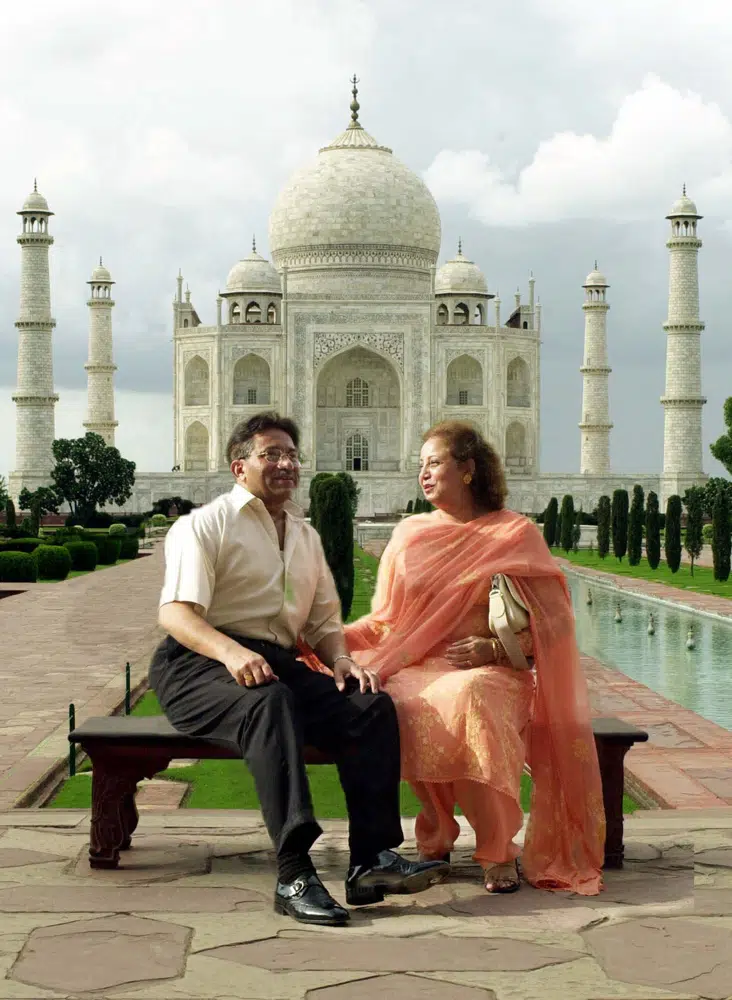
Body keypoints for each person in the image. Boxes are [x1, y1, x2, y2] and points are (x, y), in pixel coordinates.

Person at [148, 411, 448, 927]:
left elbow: (323, 622)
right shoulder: (205, 524)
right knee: (270, 701)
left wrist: (343, 661)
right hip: (198, 663)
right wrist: (231, 653)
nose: (285, 464)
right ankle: (292, 872)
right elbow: (175, 614)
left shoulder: (304, 537)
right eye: (271, 454)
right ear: (239, 465)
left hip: (274, 662)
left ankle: (370, 860)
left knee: (370, 706)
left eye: (291, 455)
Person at [344, 420, 605, 895]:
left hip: (491, 670)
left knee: (471, 696)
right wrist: (329, 638)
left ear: (467, 469)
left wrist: (493, 648)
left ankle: (497, 849)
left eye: (435, 463)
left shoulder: (513, 533)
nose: (424, 474)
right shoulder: (410, 534)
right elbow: (385, 620)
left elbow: (554, 626)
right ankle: (436, 831)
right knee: (390, 698)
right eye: (419, 465)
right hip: (416, 666)